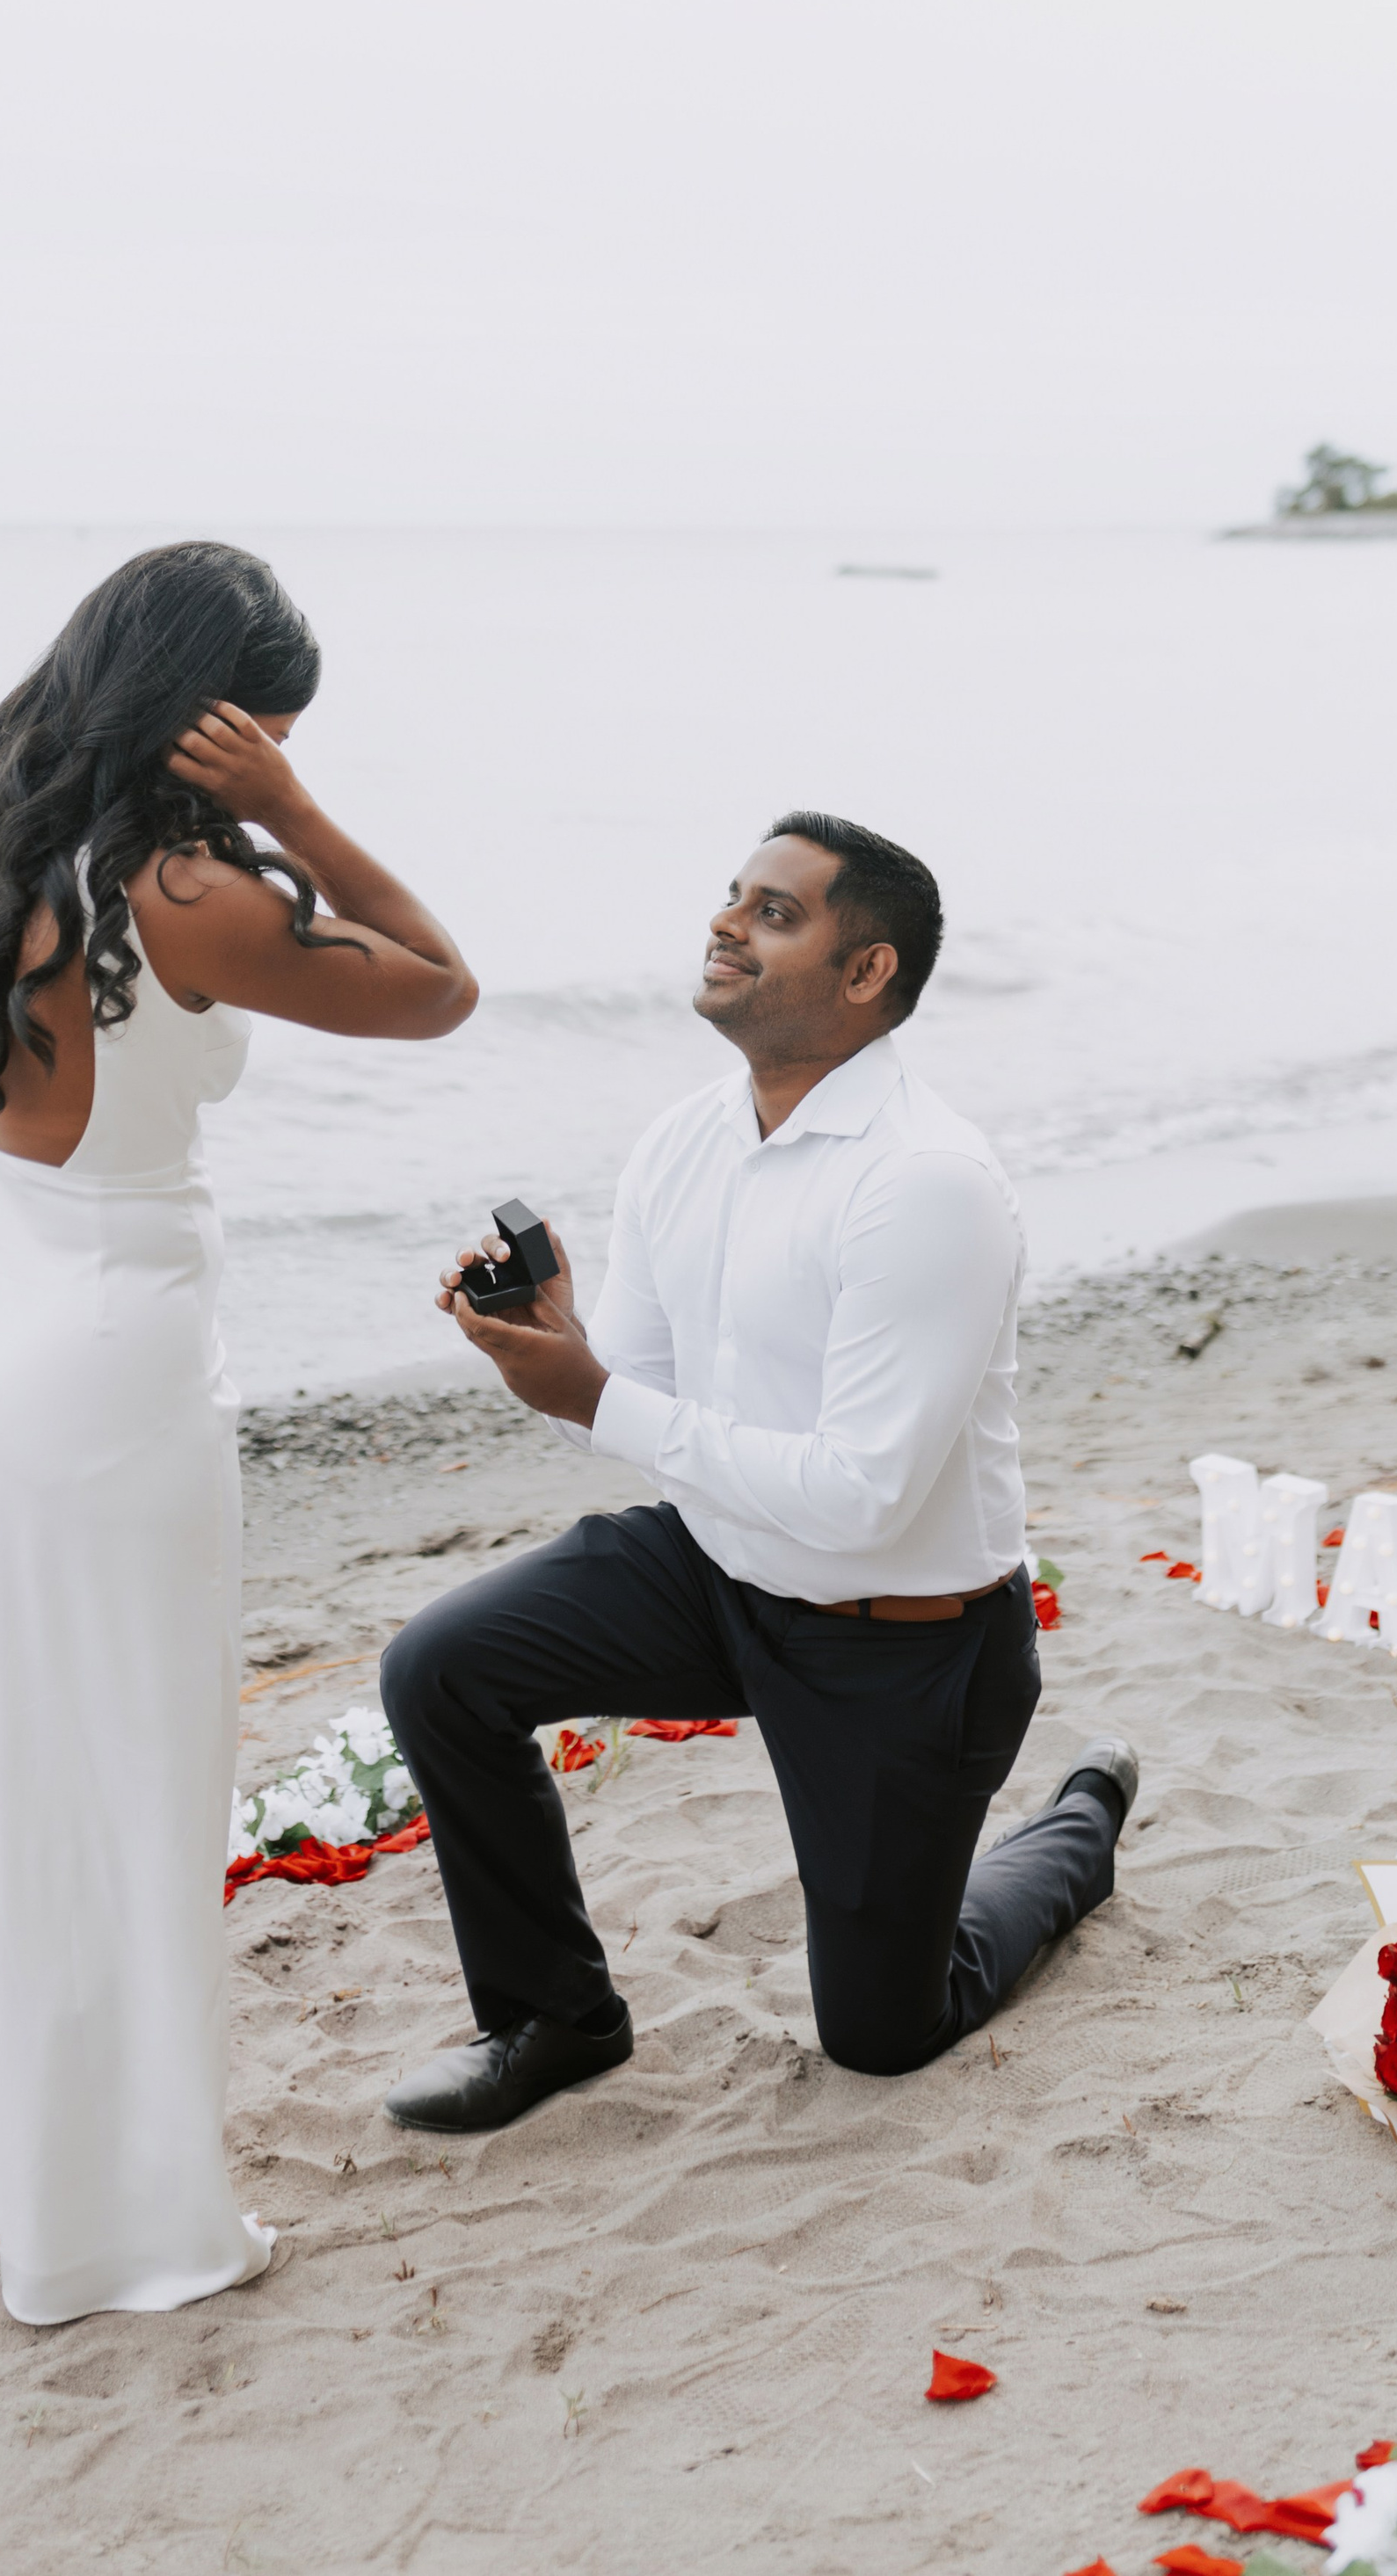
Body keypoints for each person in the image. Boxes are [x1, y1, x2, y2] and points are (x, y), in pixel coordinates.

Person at [0, 542, 476, 2320]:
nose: (273, 753)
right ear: (210, 719)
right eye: (265, 724)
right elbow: (437, 982)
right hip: (97, 1378)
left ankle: (19, 2190)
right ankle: (125, 2227)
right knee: (135, 1794)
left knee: (2, 1787)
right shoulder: (179, 888)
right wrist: (296, 810)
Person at [378, 812, 1135, 2133]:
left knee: (884, 2032)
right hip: (718, 1568)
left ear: (867, 972)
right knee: (440, 1669)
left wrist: (597, 1392)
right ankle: (553, 2016)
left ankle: (1081, 1819)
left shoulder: (928, 1182)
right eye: (733, 896)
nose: (727, 922)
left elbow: (862, 1496)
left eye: (774, 912)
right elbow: (631, 1409)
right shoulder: (684, 1140)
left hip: (900, 1641)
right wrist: (546, 1353)